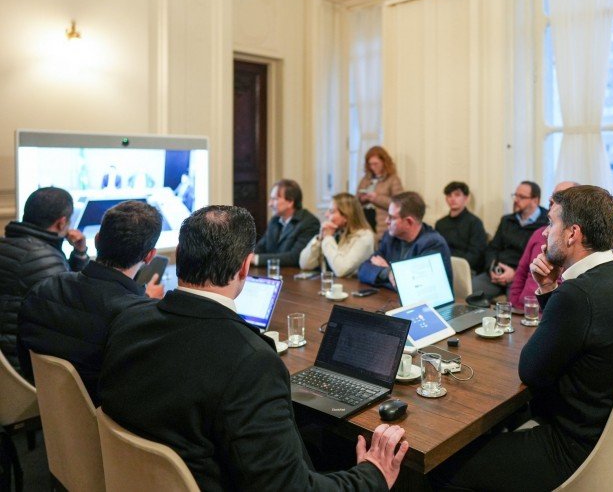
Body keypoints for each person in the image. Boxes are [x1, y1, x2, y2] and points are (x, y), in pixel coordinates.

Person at [99, 205, 409, 490]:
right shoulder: (250, 361)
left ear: (180, 255)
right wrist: (372, 474)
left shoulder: (128, 321)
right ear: (246, 267)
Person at [433, 186, 613, 491]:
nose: (545, 234)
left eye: (551, 223)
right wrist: (548, 288)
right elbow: (570, 338)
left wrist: (553, 292)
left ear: (572, 234)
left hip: (576, 450)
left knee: (440, 466)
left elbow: (531, 371)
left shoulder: (578, 295)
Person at [17, 201, 164, 405]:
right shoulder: (139, 318)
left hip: (48, 409)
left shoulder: (43, 289)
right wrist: (146, 302)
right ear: (149, 256)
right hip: (104, 425)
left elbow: (25, 360)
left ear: (96, 240)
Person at [0, 187, 89, 373]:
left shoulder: (6, 244)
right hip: (25, 368)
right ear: (61, 222)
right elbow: (76, 309)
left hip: (6, 366)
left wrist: (79, 253)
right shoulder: (46, 259)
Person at [358, 192, 452, 290]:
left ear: (409, 222)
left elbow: (416, 289)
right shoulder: (390, 238)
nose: (386, 221)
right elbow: (363, 270)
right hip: (391, 301)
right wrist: (389, 273)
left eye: (392, 217)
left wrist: (389, 274)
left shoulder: (433, 244)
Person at [471, 181, 549, 299]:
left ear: (535, 200)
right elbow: (493, 248)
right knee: (469, 290)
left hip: (521, 276)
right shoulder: (507, 220)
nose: (516, 200)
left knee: (517, 305)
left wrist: (514, 273)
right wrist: (491, 268)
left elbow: (540, 258)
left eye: (521, 197)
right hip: (496, 273)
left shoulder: (545, 224)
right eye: (515, 195)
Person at [508, 181, 579, 310]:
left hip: (548, 312)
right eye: (552, 196)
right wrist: (514, 305)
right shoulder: (538, 234)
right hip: (522, 310)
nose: (551, 200)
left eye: (559, 197)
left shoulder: (577, 243)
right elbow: (521, 273)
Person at [299, 193, 374, 277]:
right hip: (329, 286)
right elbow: (305, 264)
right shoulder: (335, 232)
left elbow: (341, 270)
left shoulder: (364, 237)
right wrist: (319, 239)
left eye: (331, 211)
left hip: (351, 288)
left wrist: (328, 238)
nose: (326, 215)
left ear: (346, 216)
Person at [254, 179, 320, 267]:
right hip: (272, 275)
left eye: (274, 199)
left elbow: (295, 257)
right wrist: (246, 257)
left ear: (290, 202)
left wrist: (256, 259)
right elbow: (261, 247)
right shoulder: (274, 220)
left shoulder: (310, 222)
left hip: (294, 276)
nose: (270, 204)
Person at [434, 182, 487, 272]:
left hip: (466, 269)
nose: (453, 199)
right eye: (449, 195)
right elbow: (436, 248)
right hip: (443, 267)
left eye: (457, 195)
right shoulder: (440, 224)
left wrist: (456, 266)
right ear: (446, 199)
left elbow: (476, 255)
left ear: (466, 198)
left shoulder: (475, 223)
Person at [356, 146, 404, 241]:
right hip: (364, 219)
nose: (373, 167)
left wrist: (376, 198)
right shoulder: (366, 179)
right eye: (370, 164)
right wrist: (362, 198)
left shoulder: (393, 179)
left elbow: (399, 203)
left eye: (376, 164)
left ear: (384, 162)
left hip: (381, 222)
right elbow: (355, 200)